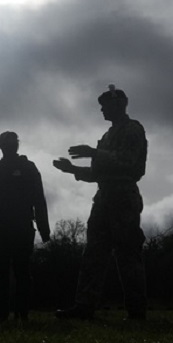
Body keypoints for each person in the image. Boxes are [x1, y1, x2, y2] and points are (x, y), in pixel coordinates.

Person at [52, 85, 148, 321]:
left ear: (118, 104)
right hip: (104, 197)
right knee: (93, 253)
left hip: (123, 196)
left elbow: (128, 162)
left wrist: (94, 152)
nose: (102, 111)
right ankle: (84, 306)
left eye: (104, 106)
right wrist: (72, 169)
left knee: (127, 253)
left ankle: (136, 311)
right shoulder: (107, 136)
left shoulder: (133, 129)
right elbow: (98, 174)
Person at [0, 131, 51, 322]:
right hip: (8, 229)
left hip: (15, 228)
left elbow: (39, 201)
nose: (8, 146)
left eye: (10, 143)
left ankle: (16, 313)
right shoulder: (1, 171)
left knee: (17, 272)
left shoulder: (22, 169)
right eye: (6, 143)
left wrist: (44, 229)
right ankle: (9, 313)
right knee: (12, 272)